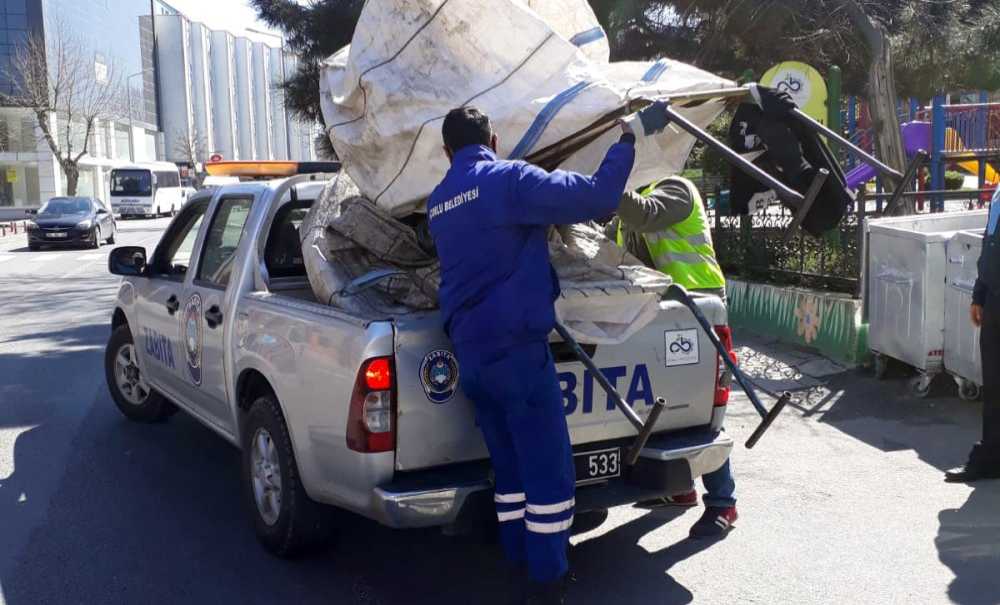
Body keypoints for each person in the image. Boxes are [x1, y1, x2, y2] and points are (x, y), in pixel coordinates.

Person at [427, 107, 636, 604]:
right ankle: (547, 582)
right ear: (494, 140)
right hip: (518, 353)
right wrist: (627, 141)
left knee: (512, 471)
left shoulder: (438, 203)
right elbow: (597, 196)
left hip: (471, 356)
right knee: (547, 472)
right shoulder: (508, 180)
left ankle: (518, 560)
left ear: (445, 152)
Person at [611, 176, 739, 538]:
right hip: (663, 313)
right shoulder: (625, 214)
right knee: (667, 406)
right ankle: (679, 488)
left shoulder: (675, 189)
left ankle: (723, 503)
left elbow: (646, 216)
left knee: (701, 408)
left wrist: (599, 180)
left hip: (698, 307)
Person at [946, 191, 1000, 482]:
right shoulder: (999, 194)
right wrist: (979, 295)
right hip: (994, 300)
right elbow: (989, 243)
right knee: (994, 385)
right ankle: (992, 457)